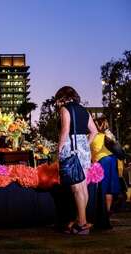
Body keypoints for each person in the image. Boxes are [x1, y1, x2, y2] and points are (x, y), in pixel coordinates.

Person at [55, 86, 98, 234]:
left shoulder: (65, 109)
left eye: (58, 100)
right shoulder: (84, 110)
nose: (57, 104)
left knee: (76, 189)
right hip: (84, 151)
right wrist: (85, 143)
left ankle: (82, 224)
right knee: (83, 188)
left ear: (63, 98)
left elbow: (65, 131)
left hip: (71, 149)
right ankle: (80, 220)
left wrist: (59, 149)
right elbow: (94, 131)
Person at [91, 117, 120, 216]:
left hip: (101, 162)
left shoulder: (93, 136)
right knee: (109, 188)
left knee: (100, 188)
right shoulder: (109, 135)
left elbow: (92, 151)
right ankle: (107, 211)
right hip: (111, 160)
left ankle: (100, 212)